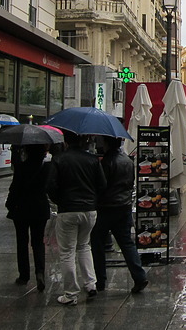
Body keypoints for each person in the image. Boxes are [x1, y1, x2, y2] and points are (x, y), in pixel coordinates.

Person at [46, 130, 107, 306]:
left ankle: (71, 293)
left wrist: (60, 200)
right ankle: (90, 284)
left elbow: (50, 185)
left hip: (68, 210)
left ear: (66, 141)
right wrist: (92, 200)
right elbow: (102, 185)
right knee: (84, 246)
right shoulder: (92, 160)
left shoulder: (59, 160)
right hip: (89, 211)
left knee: (67, 252)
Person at [90, 136, 148, 294]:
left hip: (106, 207)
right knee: (127, 243)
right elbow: (131, 183)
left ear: (107, 143)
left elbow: (101, 185)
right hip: (124, 206)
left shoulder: (106, 162)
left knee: (97, 243)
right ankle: (139, 276)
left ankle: (100, 280)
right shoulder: (128, 161)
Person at [5, 144, 51, 291]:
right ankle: (40, 272)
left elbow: (15, 188)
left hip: (22, 208)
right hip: (40, 208)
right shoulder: (46, 168)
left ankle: (24, 275)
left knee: (22, 241)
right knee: (38, 242)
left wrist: (10, 204)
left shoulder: (21, 167)